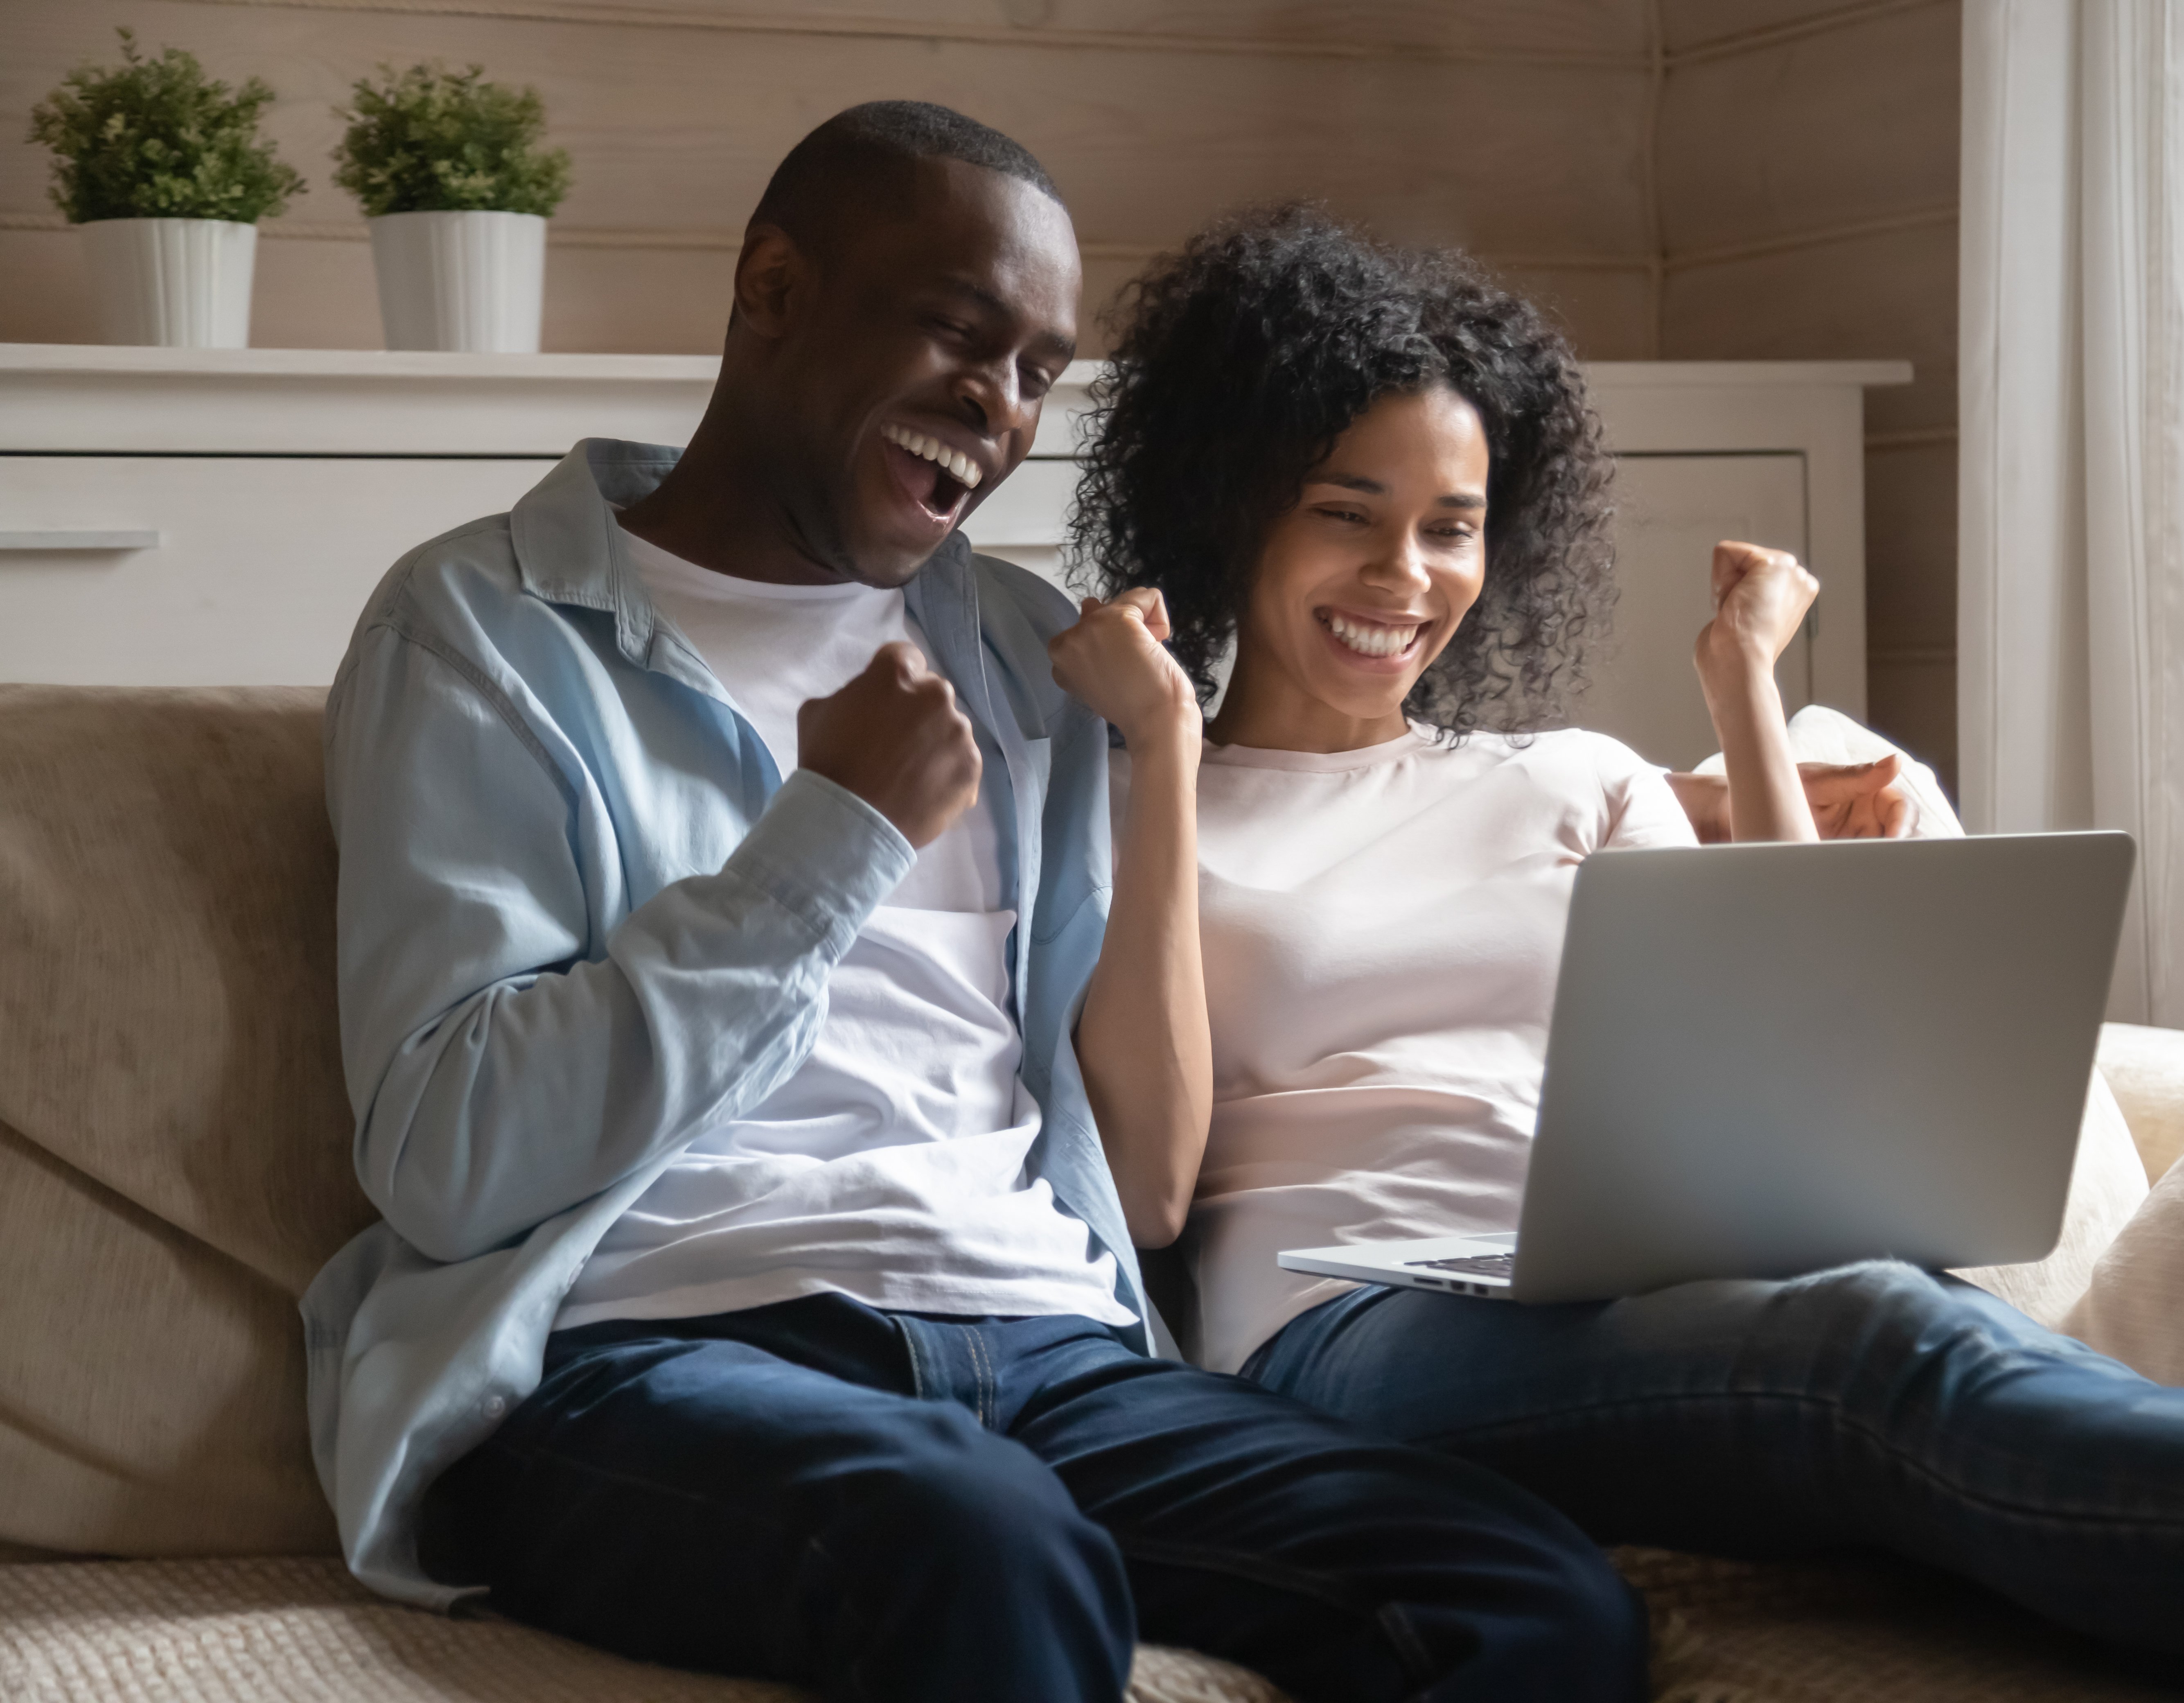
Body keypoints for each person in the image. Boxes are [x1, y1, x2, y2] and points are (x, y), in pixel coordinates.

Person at [1061, 202, 2184, 1690]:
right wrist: (1173, 753)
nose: (1407, 575)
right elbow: (1153, 1182)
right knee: (1870, 1355)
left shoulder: (1569, 777)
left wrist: (1742, 686)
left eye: (1451, 527)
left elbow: (1784, 1005)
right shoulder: (1123, 794)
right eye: (1345, 511)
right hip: (1352, 1317)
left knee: (1917, 1323)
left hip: (1631, 1277)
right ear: (1230, 503)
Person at [302, 109, 1651, 1703]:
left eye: (1038, 372)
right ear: (776, 289)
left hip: (1047, 1344)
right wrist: (832, 839)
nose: (998, 409)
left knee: (1532, 1595)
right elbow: (450, 1158)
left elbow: (1147, 1179)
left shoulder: (1023, 652)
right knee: (988, 1542)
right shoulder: (488, 629)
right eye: (958, 332)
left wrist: (1160, 748)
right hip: (657, 1347)